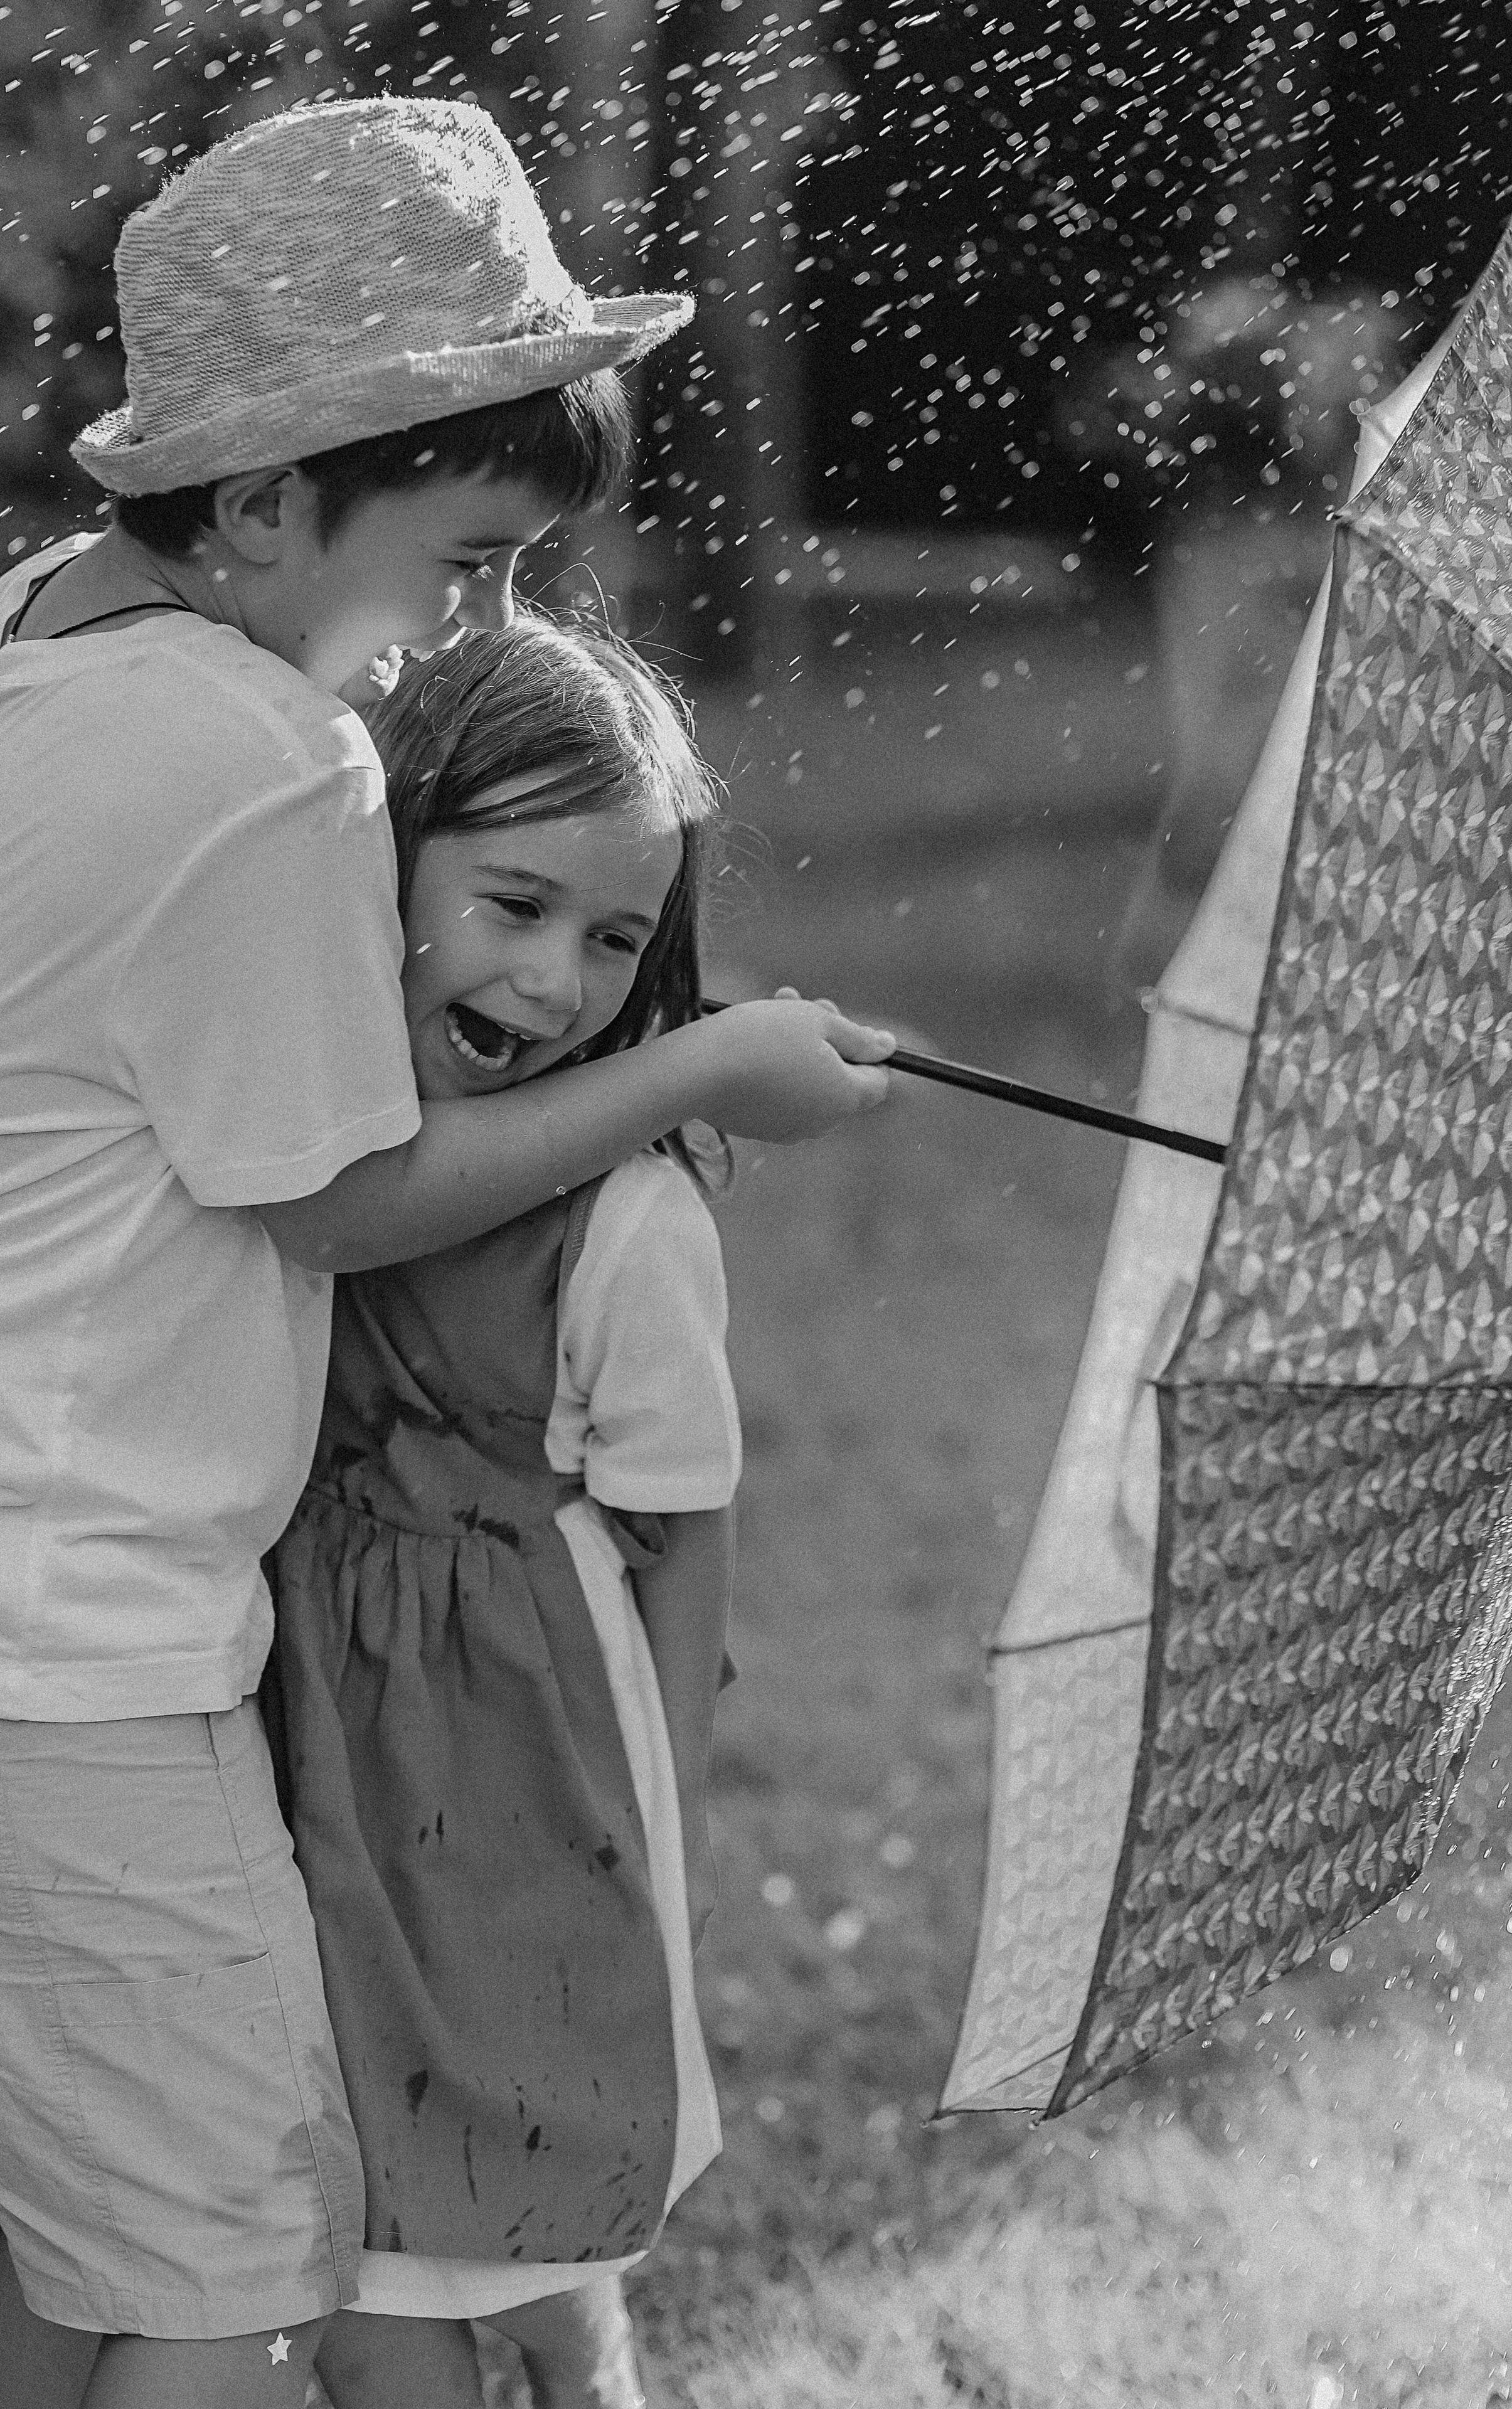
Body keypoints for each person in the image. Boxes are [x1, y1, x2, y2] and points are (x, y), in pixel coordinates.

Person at [0, 95, 891, 2409]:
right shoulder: (262, 760)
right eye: (465, 563)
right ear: (277, 500)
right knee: (223, 2272)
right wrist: (703, 1074)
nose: (473, 637)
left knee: (60, 2250)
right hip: (83, 1647)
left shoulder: (42, 646)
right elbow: (341, 1195)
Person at [270, 611, 745, 2409]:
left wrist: (676, 1809)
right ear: (382, 856)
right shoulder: (290, 1132)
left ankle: (581, 2354)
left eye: (617, 938)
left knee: (533, 2167)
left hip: (530, 1744)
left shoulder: (626, 1223)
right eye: (514, 905)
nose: (557, 986)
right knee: (379, 2215)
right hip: (311, 1717)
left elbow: (685, 1529)